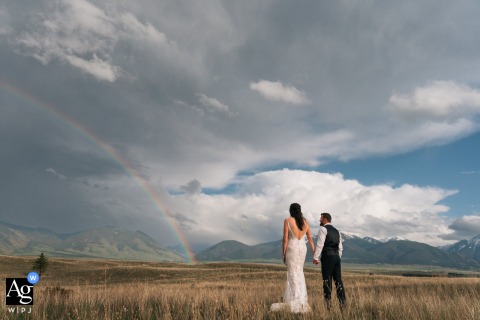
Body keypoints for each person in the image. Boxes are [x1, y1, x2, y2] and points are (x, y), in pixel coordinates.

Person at [270, 203, 315, 313]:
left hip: (292, 248)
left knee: (292, 273)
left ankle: (296, 299)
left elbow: (285, 238)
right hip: (302, 248)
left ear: (291, 210)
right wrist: (315, 253)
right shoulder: (305, 221)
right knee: (299, 272)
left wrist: (283, 253)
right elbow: (310, 238)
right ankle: (301, 299)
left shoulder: (288, 220)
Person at [313, 212, 346, 309]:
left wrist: (315, 257)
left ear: (325, 219)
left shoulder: (323, 229)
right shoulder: (337, 231)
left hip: (327, 257)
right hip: (336, 258)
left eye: (321, 218)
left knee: (327, 281)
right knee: (338, 282)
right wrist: (337, 257)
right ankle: (343, 306)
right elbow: (340, 247)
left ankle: (328, 307)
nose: (320, 220)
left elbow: (320, 244)